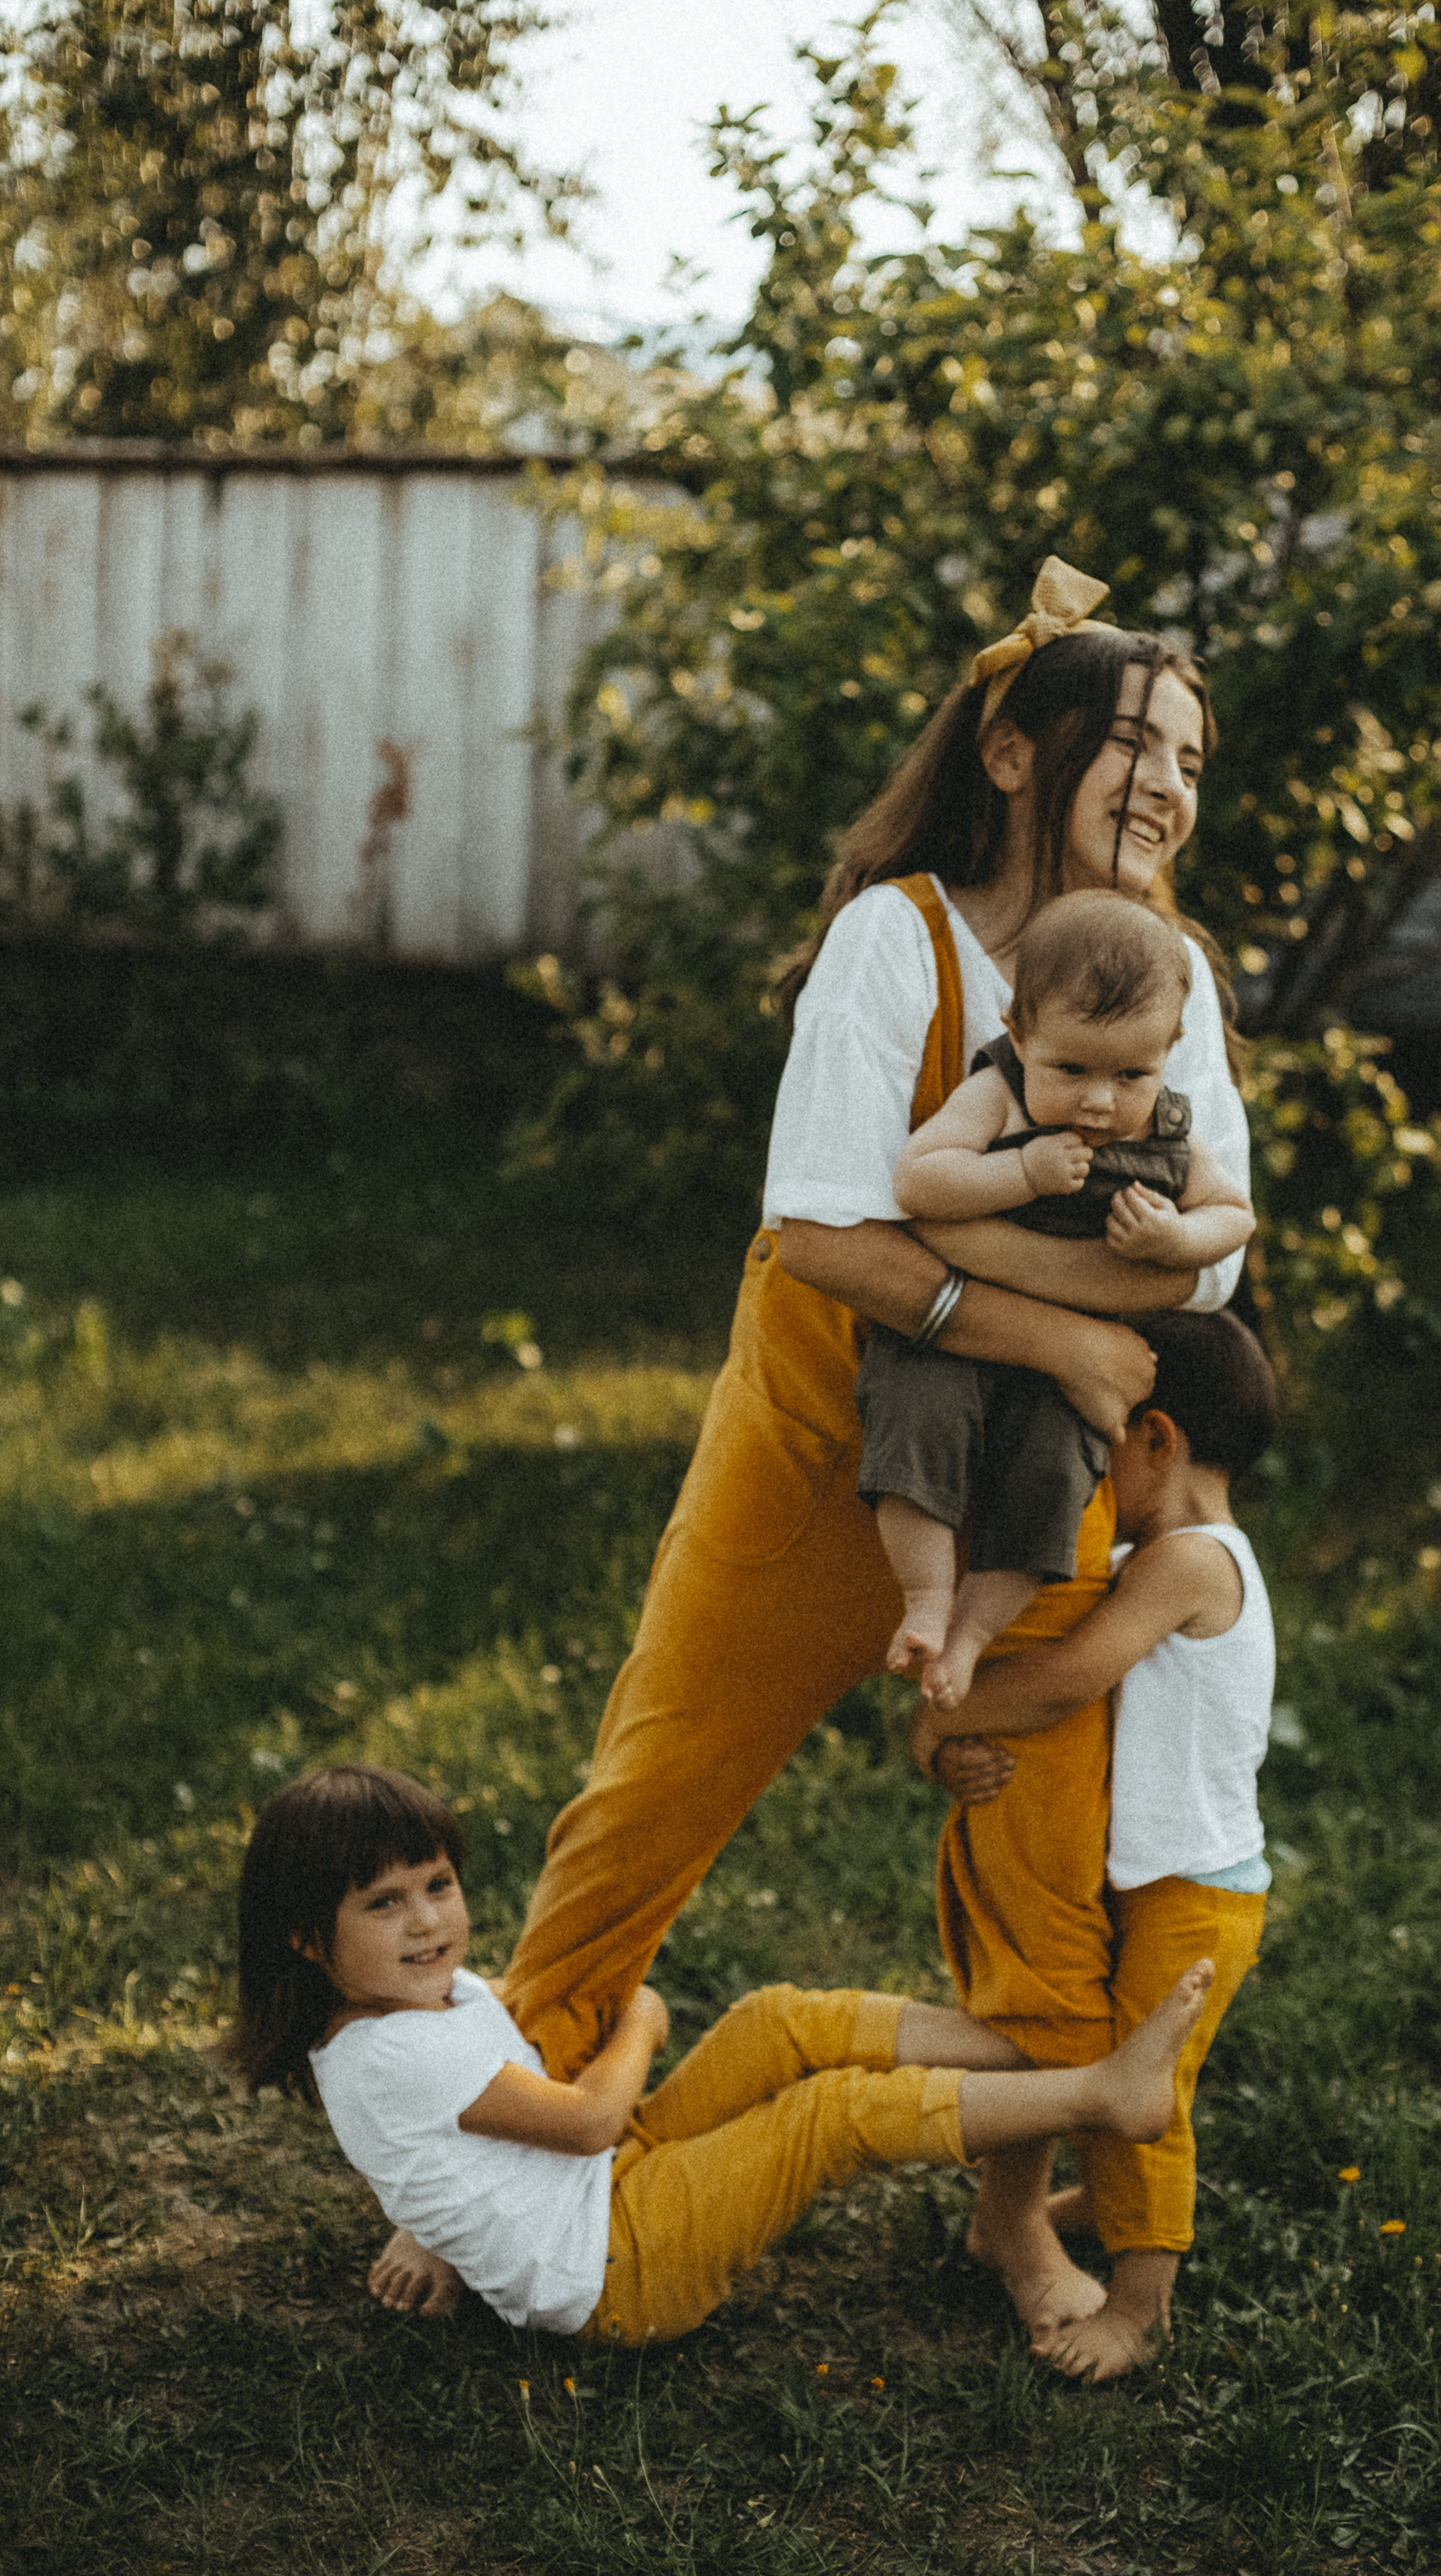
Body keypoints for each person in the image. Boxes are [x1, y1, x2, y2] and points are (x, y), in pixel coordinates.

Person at [501, 556, 1252, 2345]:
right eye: (1133, 741)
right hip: (810, 1455)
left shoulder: (1176, 977)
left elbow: (1218, 1248)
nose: (1164, 785)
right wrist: (1072, 1324)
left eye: (1193, 760)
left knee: (1038, 1858)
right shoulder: (893, 940)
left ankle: (1015, 2217)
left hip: (1038, 1489)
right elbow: (820, 1235)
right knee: (644, 1809)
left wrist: (1058, 1279)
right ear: (1014, 749)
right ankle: (508, 2144)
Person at [228, 1762, 1217, 2348]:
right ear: (306, 1940)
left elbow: (447, 2157)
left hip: (613, 2191)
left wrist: (429, 2232)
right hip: (616, 2269)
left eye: (436, 1885)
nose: (428, 1922)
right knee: (825, 2114)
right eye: (383, 1905)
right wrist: (641, 2027)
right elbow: (581, 2122)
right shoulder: (388, 2052)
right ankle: (1096, 2091)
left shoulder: (432, 1998)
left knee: (774, 2021)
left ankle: (1035, 2044)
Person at [909, 1309, 1280, 2383]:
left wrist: (948, 1712)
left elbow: (1071, 1677)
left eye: (1096, 1437)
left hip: (1195, 1890)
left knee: (1140, 2101)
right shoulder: (1155, 1553)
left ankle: (1136, 2307)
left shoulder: (1192, 1562)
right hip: (1150, 1877)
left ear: (1154, 1439)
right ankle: (1053, 2212)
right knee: (1088, 2063)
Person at [860, 890, 1254, 1706]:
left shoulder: (1170, 1132)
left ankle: (969, 1638)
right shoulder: (998, 1095)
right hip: (957, 1335)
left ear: (1169, 1053)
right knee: (915, 1428)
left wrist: (1175, 1241)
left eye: (1131, 1075)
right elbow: (917, 1177)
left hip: (1065, 1372)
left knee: (1052, 1484)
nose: (1099, 1102)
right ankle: (927, 1601)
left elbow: (1233, 1215)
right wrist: (1019, 1170)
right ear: (1020, 1029)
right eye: (1070, 1069)